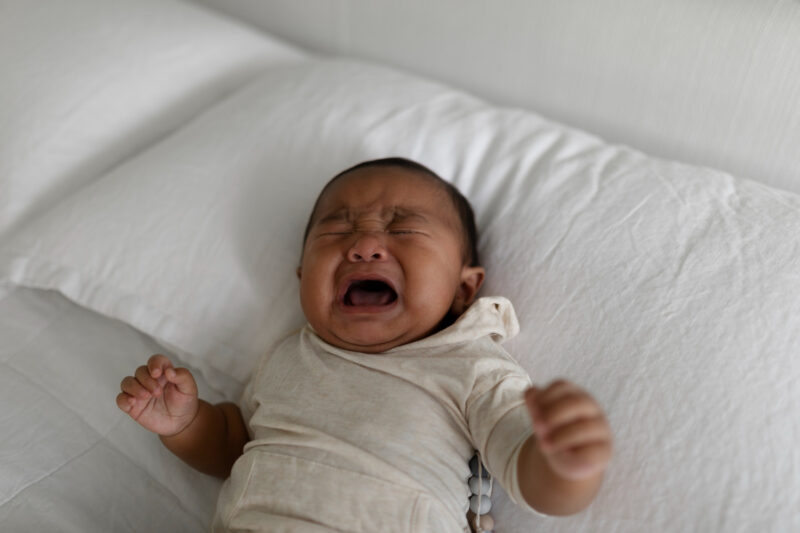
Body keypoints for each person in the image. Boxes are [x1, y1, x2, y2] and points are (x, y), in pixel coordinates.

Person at [116, 158, 613, 532]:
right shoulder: (290, 356)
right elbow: (233, 446)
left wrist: (565, 462)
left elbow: (527, 471)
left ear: (464, 289)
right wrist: (186, 423)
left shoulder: (472, 368)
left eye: (403, 228)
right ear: (302, 278)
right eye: (337, 228)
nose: (364, 244)